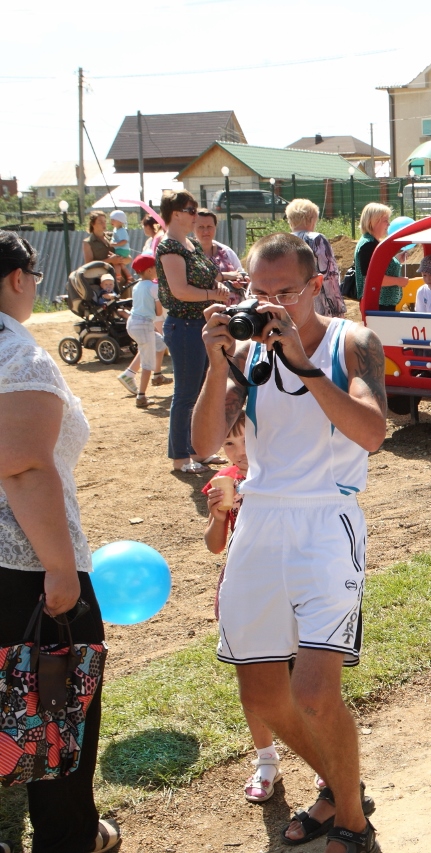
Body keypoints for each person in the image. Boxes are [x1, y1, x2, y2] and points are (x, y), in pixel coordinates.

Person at [191, 233, 388, 853]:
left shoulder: (352, 341)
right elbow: (203, 443)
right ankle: (343, 787)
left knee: (313, 693)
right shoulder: (248, 352)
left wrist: (303, 362)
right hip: (259, 521)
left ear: (317, 285)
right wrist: (217, 363)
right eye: (258, 292)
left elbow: (372, 433)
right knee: (263, 696)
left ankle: (352, 820)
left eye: (286, 292)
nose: (271, 305)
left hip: (326, 521)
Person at [0, 232, 121, 853]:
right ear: (18, 278)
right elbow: (22, 465)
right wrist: (60, 568)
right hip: (19, 565)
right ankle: (69, 838)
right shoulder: (19, 356)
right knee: (55, 704)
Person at [200, 412, 291, 803]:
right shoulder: (224, 482)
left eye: (246, 440)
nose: (239, 453)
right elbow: (215, 545)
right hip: (244, 585)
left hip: (289, 585)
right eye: (229, 444)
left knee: (300, 676)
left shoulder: (287, 474)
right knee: (251, 676)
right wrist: (219, 515)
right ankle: (266, 759)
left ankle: (323, 758)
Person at [156, 189, 234, 474]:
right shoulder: (170, 247)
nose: (195, 215)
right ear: (175, 214)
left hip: (200, 325)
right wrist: (213, 294)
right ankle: (180, 458)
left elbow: (211, 275)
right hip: (184, 326)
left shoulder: (189, 245)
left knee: (201, 391)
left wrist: (225, 281)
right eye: (191, 210)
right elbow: (180, 291)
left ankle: (198, 452)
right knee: (186, 394)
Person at [123, 254, 168, 408]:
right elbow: (158, 312)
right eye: (156, 267)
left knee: (161, 344)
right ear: (149, 270)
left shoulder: (136, 286)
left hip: (132, 323)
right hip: (144, 325)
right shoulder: (154, 287)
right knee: (147, 362)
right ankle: (141, 396)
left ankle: (158, 375)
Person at [286, 199, 345, 318]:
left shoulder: (283, 240)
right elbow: (329, 275)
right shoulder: (317, 239)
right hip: (318, 305)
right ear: (312, 219)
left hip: (292, 303)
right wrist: (338, 308)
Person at [354, 203, 410, 311]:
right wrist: (398, 281)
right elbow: (372, 279)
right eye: (385, 220)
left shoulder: (372, 243)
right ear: (373, 221)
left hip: (382, 303)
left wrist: (396, 260)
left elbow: (380, 267)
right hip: (377, 305)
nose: (389, 224)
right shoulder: (368, 245)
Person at [194, 209, 245, 289]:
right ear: (192, 228)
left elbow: (240, 274)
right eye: (201, 227)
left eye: (209, 227)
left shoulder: (226, 252)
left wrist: (239, 282)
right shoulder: (189, 253)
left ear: (215, 227)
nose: (206, 231)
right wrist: (225, 276)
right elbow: (196, 281)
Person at [82, 211, 131, 283]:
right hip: (102, 282)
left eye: (105, 221)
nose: (104, 224)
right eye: (100, 222)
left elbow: (129, 258)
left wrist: (121, 260)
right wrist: (110, 260)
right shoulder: (88, 242)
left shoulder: (113, 236)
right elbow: (89, 265)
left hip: (121, 280)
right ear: (92, 224)